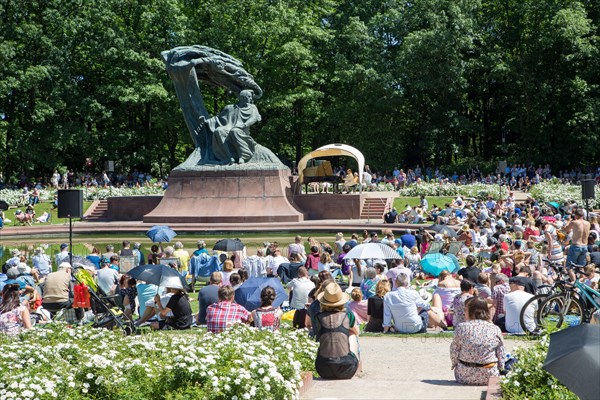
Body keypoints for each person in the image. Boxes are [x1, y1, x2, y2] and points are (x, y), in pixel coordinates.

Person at [450, 297, 505, 385]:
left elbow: (454, 350)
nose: (464, 312)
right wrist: (501, 368)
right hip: (490, 376)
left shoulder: (461, 327)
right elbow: (501, 352)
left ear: (472, 311)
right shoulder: (495, 328)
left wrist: (454, 364)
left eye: (465, 310)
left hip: (464, 376)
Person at [200, 89, 262, 164]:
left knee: (234, 131)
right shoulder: (230, 108)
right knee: (219, 131)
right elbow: (218, 118)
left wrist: (244, 125)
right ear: (243, 98)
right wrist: (206, 121)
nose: (251, 98)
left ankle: (243, 156)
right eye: (249, 97)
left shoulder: (252, 107)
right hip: (229, 127)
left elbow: (254, 118)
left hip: (242, 129)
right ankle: (229, 157)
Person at [313, 282, 360, 380]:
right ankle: (358, 366)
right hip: (347, 369)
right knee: (352, 334)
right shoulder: (347, 315)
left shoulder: (318, 317)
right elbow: (357, 332)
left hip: (323, 369)